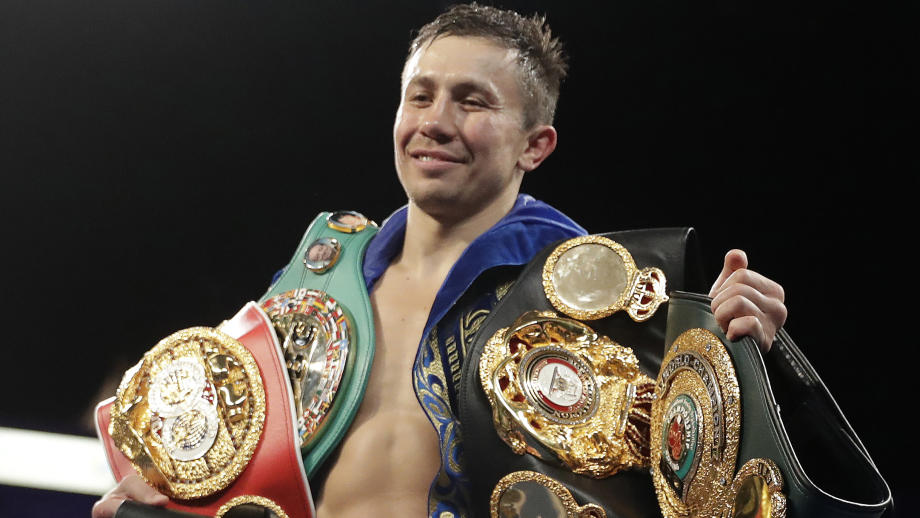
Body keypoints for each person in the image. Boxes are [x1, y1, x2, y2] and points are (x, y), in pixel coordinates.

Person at [93, 4, 787, 518]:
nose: (435, 121)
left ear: (535, 146)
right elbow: (226, 452)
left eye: (472, 101)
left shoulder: (613, 301)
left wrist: (744, 358)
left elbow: (721, 481)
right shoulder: (315, 280)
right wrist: (161, 492)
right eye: (419, 95)